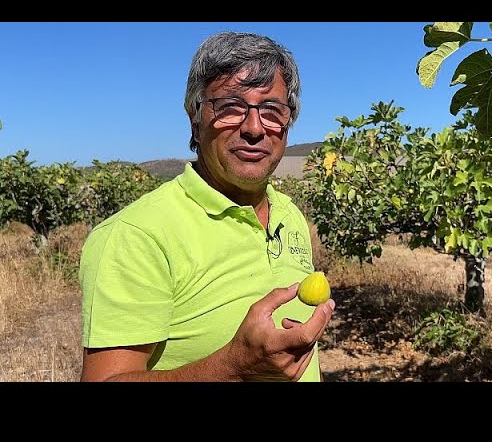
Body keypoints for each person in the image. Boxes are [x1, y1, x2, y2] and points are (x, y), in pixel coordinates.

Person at [78, 31, 335, 382]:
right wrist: (233, 368)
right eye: (230, 108)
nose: (255, 128)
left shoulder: (289, 214)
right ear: (194, 120)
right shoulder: (136, 236)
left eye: (272, 110)